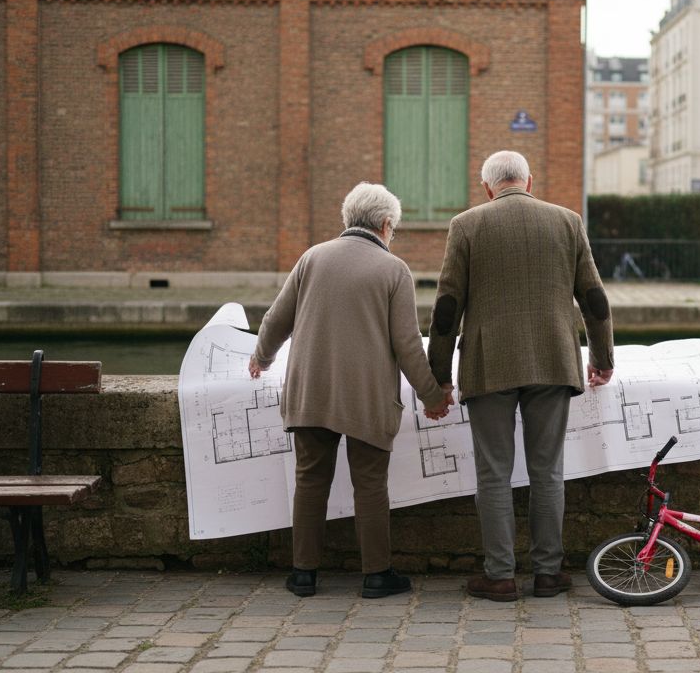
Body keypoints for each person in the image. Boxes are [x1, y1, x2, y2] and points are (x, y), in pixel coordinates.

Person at [250, 182, 452, 600]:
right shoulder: (393, 270)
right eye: (393, 229)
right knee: (371, 485)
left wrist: (262, 358)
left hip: (310, 393)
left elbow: (275, 321)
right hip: (366, 397)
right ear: (384, 224)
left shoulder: (311, 258)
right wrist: (432, 396)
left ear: (348, 219)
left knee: (309, 481)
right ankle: (377, 576)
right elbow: (408, 345)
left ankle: (303, 574)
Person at [428, 150, 615, 601]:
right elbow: (594, 298)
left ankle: (500, 575)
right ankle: (549, 573)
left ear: (488, 187)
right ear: (529, 182)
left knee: (494, 474)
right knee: (547, 471)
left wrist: (439, 375)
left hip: (489, 363)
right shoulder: (567, 222)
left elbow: (447, 307)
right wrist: (603, 358)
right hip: (553, 359)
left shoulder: (467, 225)